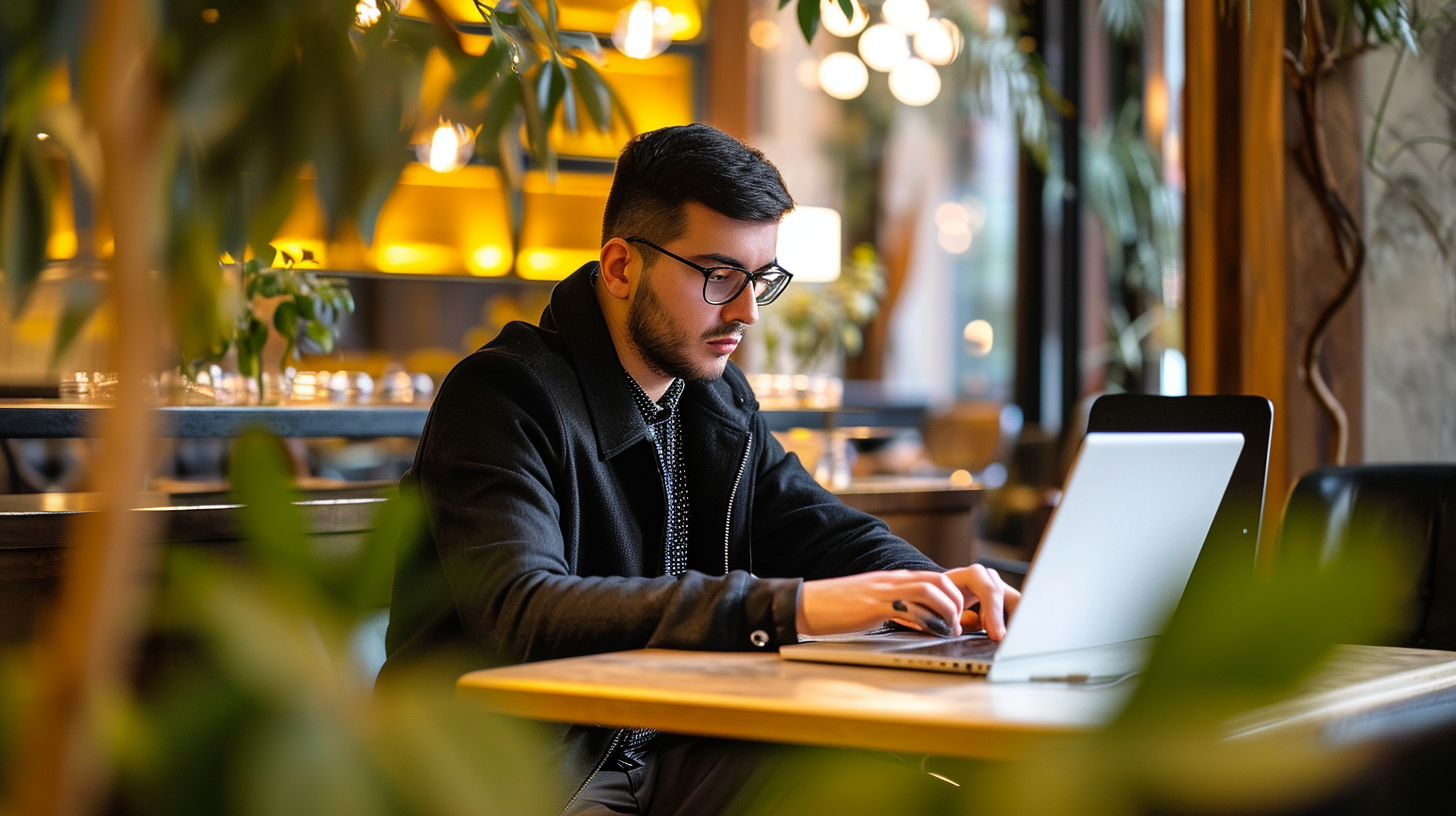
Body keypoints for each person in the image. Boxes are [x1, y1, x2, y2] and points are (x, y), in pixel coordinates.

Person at [380, 123, 1020, 815]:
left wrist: (936, 586)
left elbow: (817, 525)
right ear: (622, 267)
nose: (746, 312)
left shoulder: (714, 396)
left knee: (899, 793)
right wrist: (791, 609)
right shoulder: (503, 396)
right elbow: (522, 610)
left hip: (679, 749)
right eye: (719, 277)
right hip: (529, 774)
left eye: (760, 279)